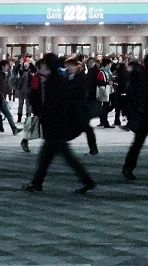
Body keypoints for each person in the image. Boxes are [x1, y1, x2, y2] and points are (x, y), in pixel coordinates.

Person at [23, 54, 97, 194]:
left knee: (54, 157)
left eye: (44, 65)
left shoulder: (54, 82)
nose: (42, 67)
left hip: (55, 126)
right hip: (57, 126)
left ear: (49, 67)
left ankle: (87, 181)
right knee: (49, 158)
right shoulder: (56, 80)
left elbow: (53, 105)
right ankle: (37, 182)